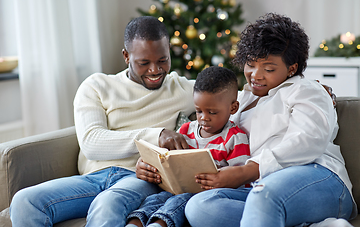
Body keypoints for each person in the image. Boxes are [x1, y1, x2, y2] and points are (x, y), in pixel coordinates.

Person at [9, 16, 196, 227]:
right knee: (24, 201)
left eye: (163, 60)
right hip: (92, 178)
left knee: (107, 203)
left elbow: (232, 97)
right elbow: (91, 143)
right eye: (144, 63)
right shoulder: (96, 86)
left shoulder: (181, 89)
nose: (155, 70)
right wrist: (157, 135)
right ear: (126, 56)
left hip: (138, 178)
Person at [182, 13, 357, 227]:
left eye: (269, 68)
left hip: (320, 178)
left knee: (265, 195)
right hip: (261, 190)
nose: (256, 75)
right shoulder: (238, 101)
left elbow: (309, 141)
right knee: (199, 206)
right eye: (250, 64)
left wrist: (246, 171)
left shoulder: (306, 90)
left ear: (292, 68)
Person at [126, 66, 250, 227]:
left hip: (204, 194)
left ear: (233, 108)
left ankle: (159, 224)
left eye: (212, 112)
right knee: (154, 199)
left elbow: (240, 180)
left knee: (179, 201)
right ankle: (135, 223)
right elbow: (168, 158)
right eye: (199, 111)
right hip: (175, 189)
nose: (204, 118)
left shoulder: (234, 137)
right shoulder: (186, 130)